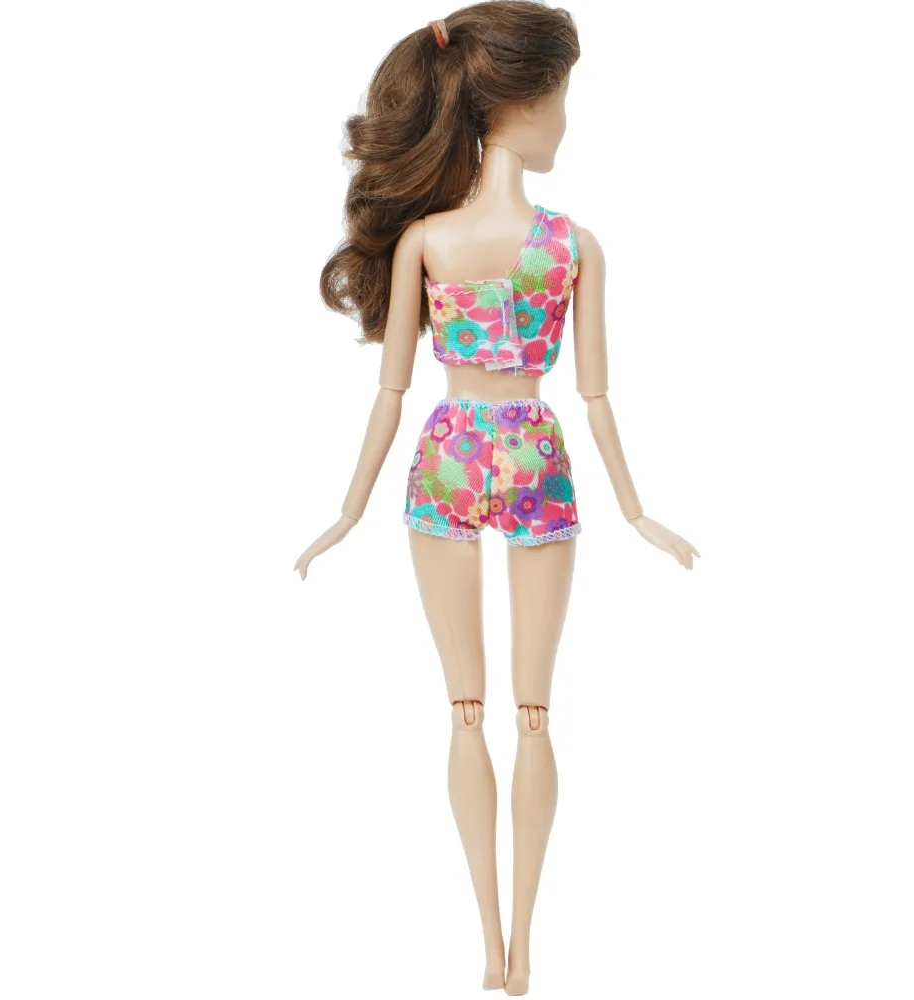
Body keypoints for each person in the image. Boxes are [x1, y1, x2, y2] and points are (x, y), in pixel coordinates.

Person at [294, 3, 699, 993]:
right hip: (535, 457)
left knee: (468, 712)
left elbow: (393, 394)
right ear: (521, 102)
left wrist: (350, 511)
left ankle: (497, 947)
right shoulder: (572, 245)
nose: (566, 121)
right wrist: (634, 511)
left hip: (446, 457)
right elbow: (593, 397)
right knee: (530, 714)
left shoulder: (430, 240)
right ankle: (512, 945)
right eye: (563, 97)